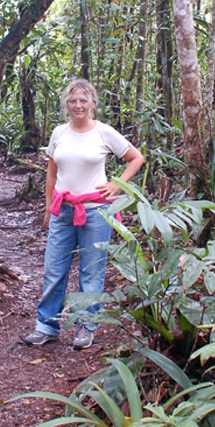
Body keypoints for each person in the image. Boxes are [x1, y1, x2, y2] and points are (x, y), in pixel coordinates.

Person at [25, 79, 145, 350]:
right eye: (72, 100)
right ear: (66, 105)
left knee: (91, 271)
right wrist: (48, 208)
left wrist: (117, 185)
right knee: (54, 269)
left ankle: (85, 326)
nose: (77, 105)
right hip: (63, 210)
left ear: (92, 103)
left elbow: (136, 158)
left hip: (95, 212)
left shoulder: (103, 132)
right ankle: (47, 325)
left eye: (83, 100)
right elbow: (52, 173)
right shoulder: (59, 133)